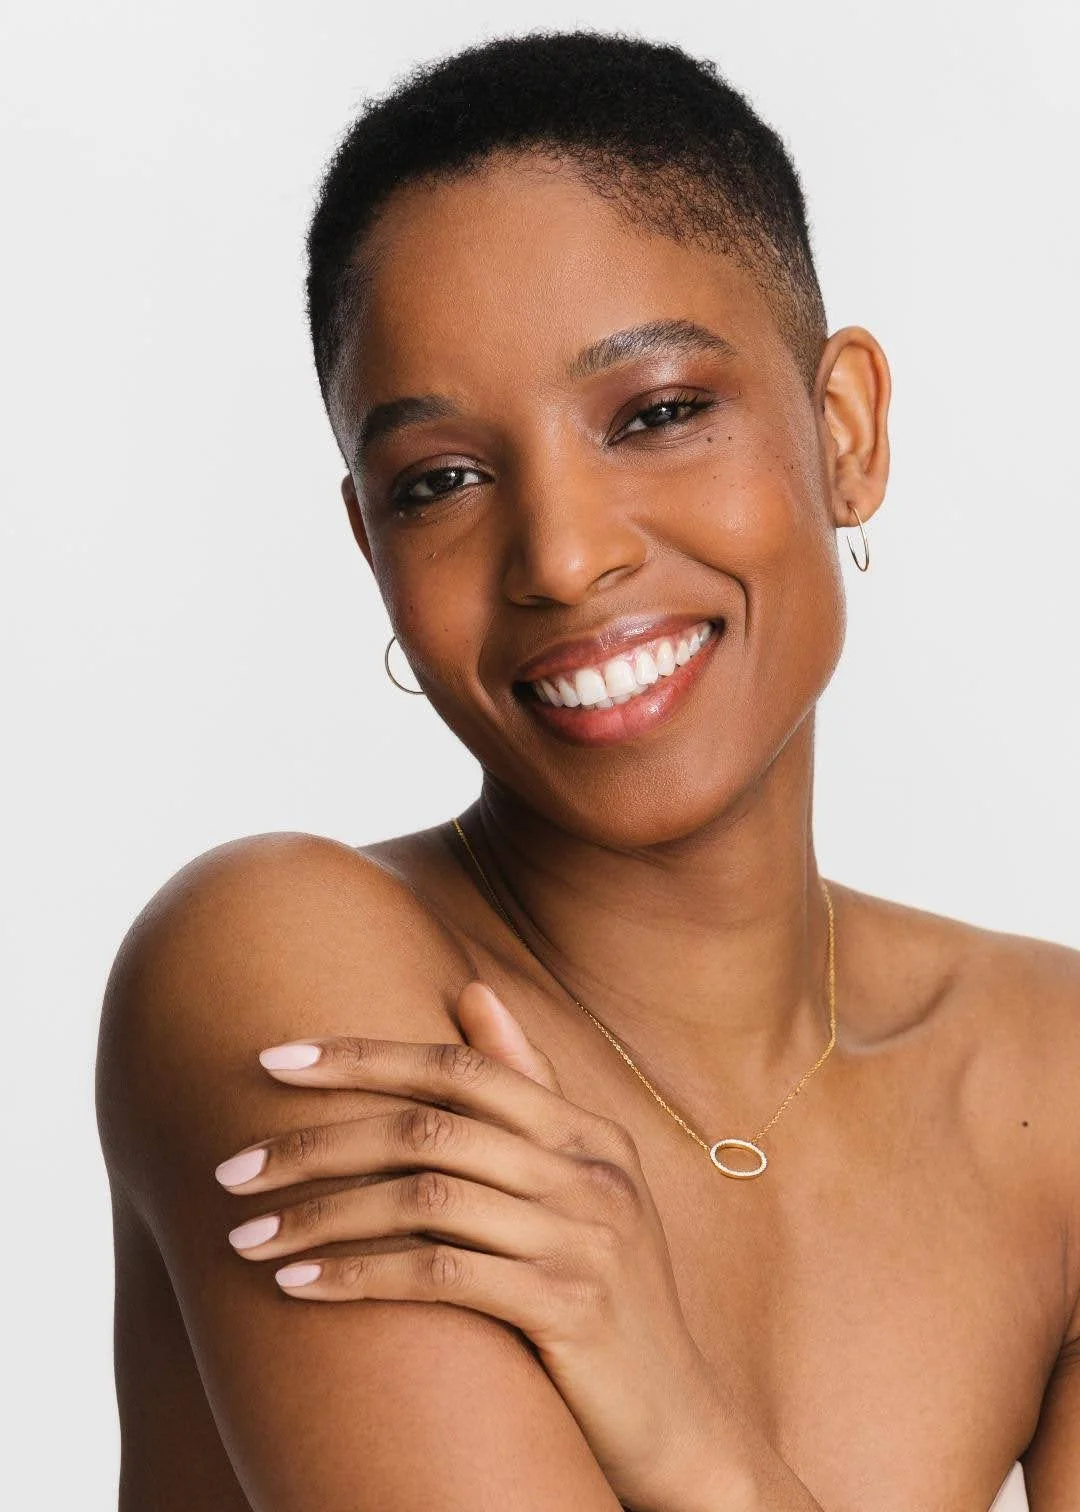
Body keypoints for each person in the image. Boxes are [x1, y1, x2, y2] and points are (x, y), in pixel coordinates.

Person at [95, 29, 1079, 1512]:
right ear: (372, 545)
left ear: (845, 431)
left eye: (658, 414)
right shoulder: (283, 976)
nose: (561, 556)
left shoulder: (1055, 1083)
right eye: (440, 481)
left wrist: (685, 1433)